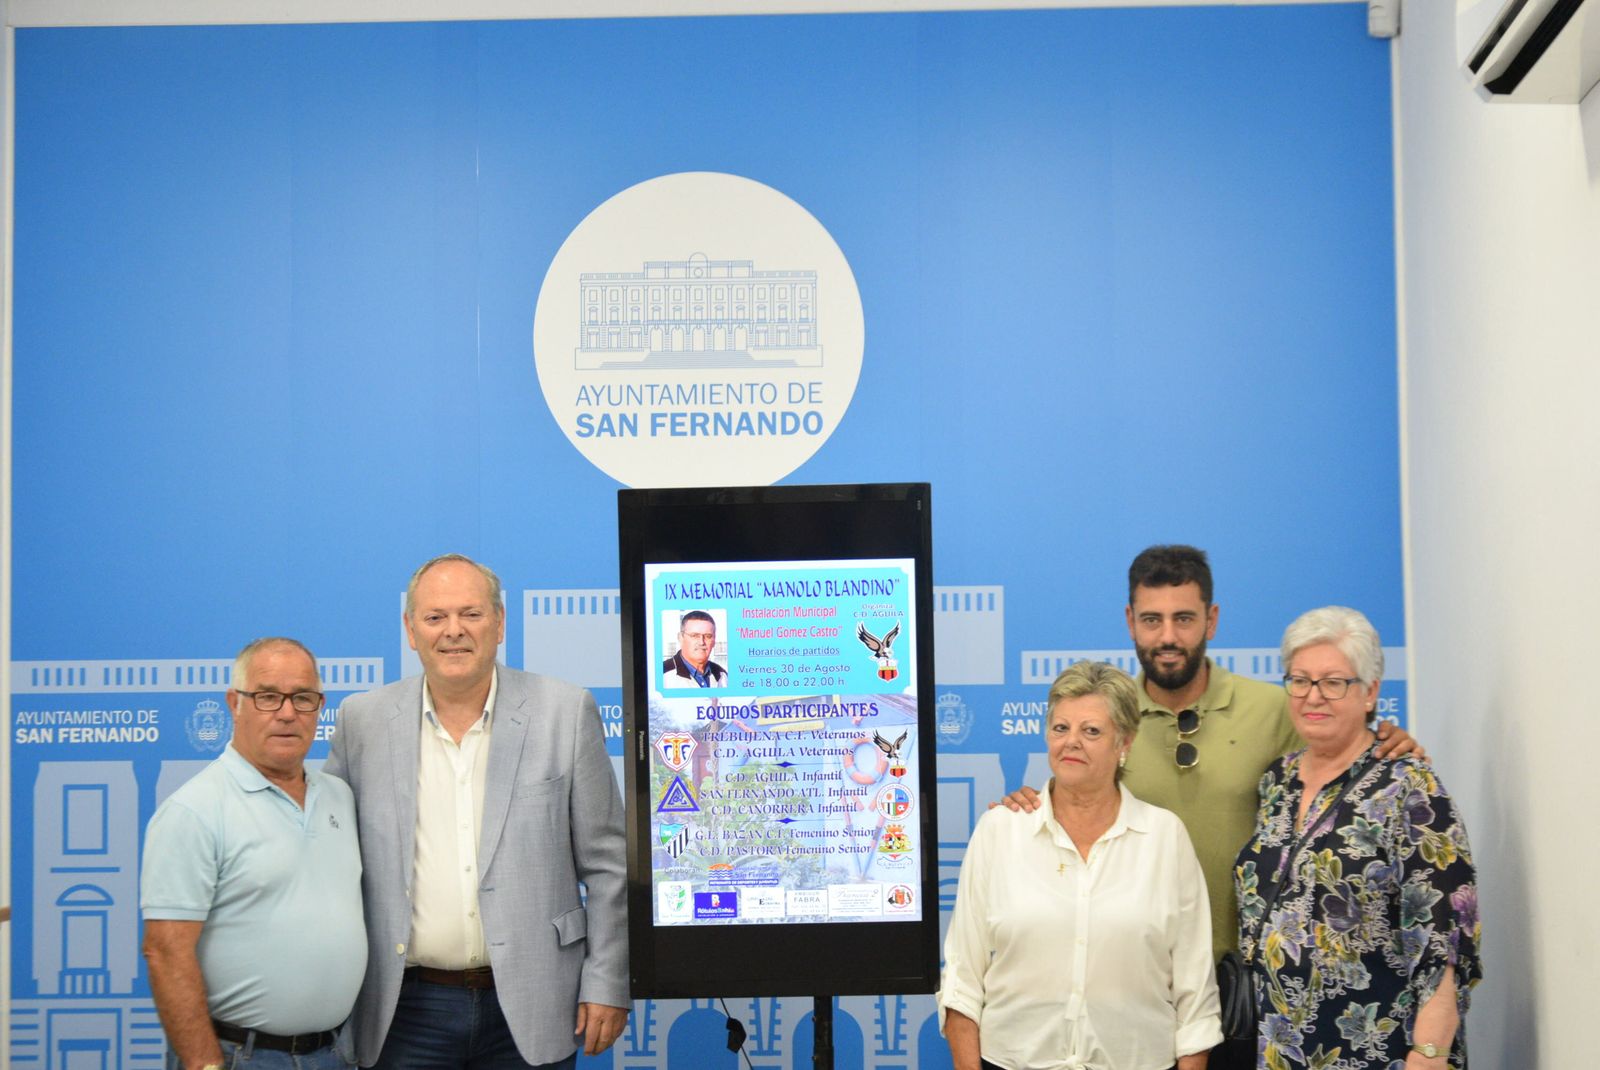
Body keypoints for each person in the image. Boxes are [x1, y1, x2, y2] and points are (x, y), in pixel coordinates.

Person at [1001, 546, 1420, 1070]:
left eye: (1184, 619)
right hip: (1138, 990)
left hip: (1257, 989)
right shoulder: (1107, 718)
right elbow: (1073, 797)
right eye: (1152, 620)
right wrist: (1028, 801)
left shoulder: (1275, 709)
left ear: (1212, 620)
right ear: (1130, 621)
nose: (1168, 637)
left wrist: (1385, 740)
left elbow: (1342, 756)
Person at [324, 554, 628, 1070]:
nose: (454, 632)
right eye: (435, 617)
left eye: (471, 614)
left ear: (501, 622)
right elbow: (326, 857)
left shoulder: (565, 711)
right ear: (410, 629)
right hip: (403, 1008)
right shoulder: (363, 721)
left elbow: (607, 864)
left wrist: (607, 979)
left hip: (535, 1003)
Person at [941, 661, 1222, 1070]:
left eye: (1091, 731)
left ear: (1124, 742)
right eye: (1060, 728)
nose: (1071, 742)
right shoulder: (1000, 831)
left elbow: (1196, 996)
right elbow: (962, 981)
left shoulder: (1165, 838)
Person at [1235, 607, 1480, 1069]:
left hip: (1382, 1052)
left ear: (1370, 692)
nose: (1314, 696)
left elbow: (1444, 940)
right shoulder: (1277, 782)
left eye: (1334, 682)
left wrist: (1429, 1053)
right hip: (1282, 1048)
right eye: (1301, 680)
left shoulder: (1410, 787)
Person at [142, 638, 365, 1070]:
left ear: (319, 708)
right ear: (235, 703)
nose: (286, 713)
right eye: (267, 697)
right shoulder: (194, 811)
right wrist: (204, 1064)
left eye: (302, 698)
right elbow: (165, 952)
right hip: (238, 1056)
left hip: (338, 1053)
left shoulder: (340, 797)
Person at [662, 609, 727, 687]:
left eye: (708, 636)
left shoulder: (722, 675)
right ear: (680, 638)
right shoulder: (662, 674)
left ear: (714, 641)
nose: (701, 642)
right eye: (695, 636)